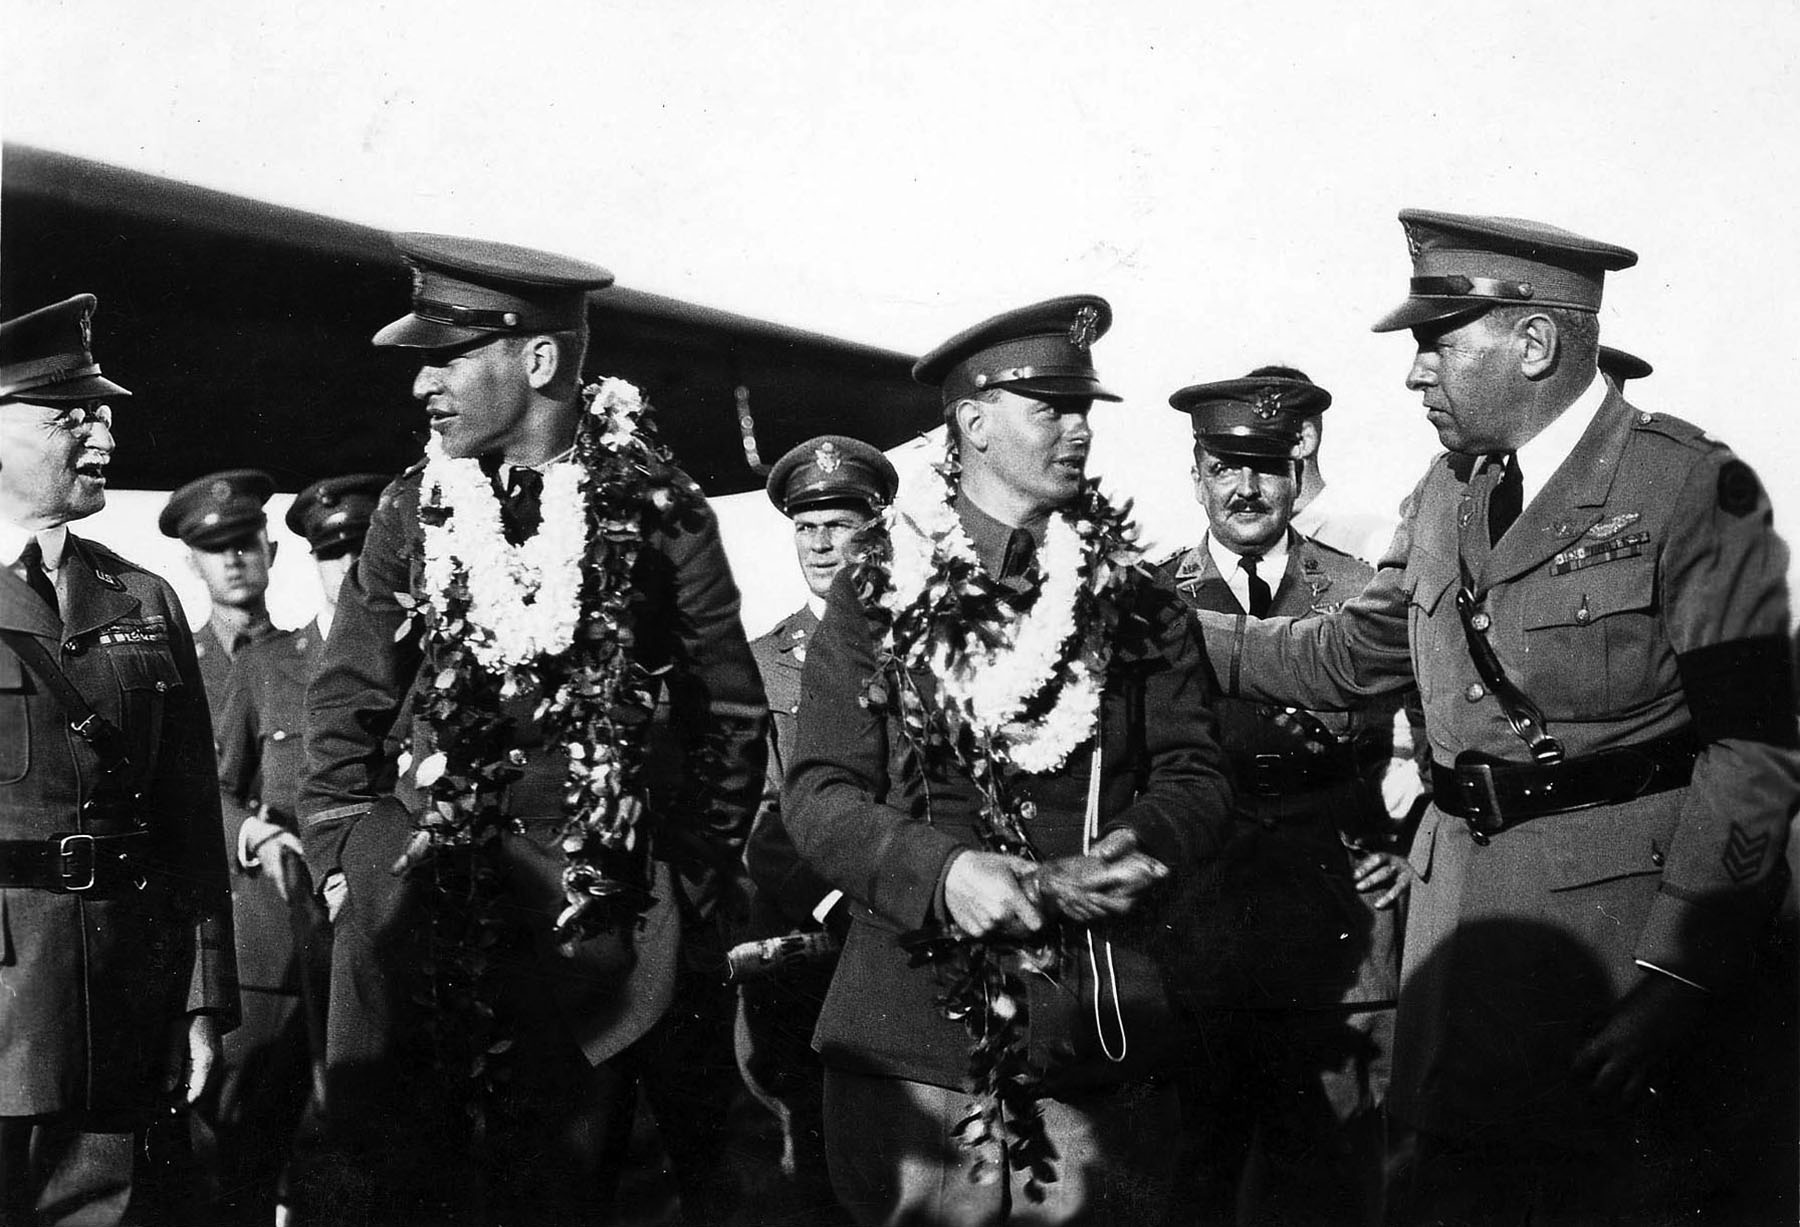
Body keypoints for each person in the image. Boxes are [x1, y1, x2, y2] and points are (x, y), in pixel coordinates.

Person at [1183, 209, 1798, 1223]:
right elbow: (1346, 655)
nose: (1415, 375)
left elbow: (1754, 749)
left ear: (1536, 343)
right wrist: (1165, 632)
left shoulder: (1685, 488)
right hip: (1450, 926)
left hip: (1608, 949)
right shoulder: (1446, 490)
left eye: (1436, 344)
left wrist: (1677, 973)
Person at [297, 233, 767, 1225]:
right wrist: (348, 852)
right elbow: (346, 703)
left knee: (573, 1190)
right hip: (418, 920)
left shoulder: (659, 511)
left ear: (540, 360)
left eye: (448, 358)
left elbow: (727, 715)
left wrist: (684, 877)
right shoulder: (410, 509)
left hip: (595, 937)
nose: (423, 384)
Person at [785, 296, 1232, 1225]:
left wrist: (1137, 848)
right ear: (975, 424)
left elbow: (1194, 773)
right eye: (1052, 410)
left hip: (1093, 1038)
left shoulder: (1141, 599)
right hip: (915, 1046)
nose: (1079, 432)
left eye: (1086, 412)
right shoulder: (877, 591)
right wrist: (942, 873)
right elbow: (820, 793)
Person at [0, 294, 238, 1225]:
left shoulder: (142, 598)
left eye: (100, 412)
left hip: (119, 994)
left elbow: (190, 824)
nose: (101, 433)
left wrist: (202, 995)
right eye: (69, 415)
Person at [1157, 370, 1413, 1226]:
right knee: (1195, 1178)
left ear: (1294, 470)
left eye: (1265, 466)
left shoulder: (1363, 589)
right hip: (1203, 929)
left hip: (1338, 926)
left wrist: (1410, 842)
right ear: (1195, 475)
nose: (1245, 488)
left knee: (1337, 1183)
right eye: (1224, 466)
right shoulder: (1151, 598)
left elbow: (1444, 725)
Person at [198, 473, 385, 1224]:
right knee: (250, 1157)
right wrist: (258, 830)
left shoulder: (435, 660)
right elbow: (206, 790)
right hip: (285, 954)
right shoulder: (269, 664)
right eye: (333, 554)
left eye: (365, 552)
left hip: (392, 941)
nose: (350, 570)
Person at [739, 434, 899, 1221]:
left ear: (879, 528)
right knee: (821, 1169)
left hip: (912, 928)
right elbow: (759, 816)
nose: (823, 544)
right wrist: (840, 906)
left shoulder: (918, 642)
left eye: (841, 524)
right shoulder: (762, 661)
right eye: (807, 527)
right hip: (811, 942)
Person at [157, 470, 282, 722]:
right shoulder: (174, 668)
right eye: (214, 548)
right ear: (193, 564)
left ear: (270, 551)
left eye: (243, 544)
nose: (231, 562)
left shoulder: (309, 658)